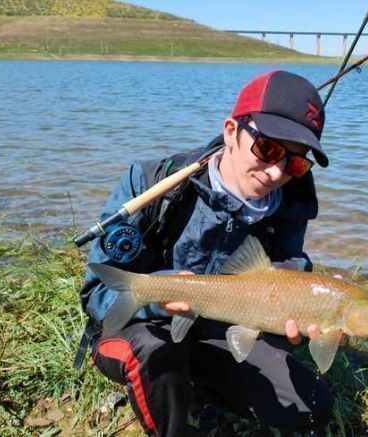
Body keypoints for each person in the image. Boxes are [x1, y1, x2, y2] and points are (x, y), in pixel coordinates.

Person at [79, 70, 334, 436]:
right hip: (144, 329)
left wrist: (287, 326)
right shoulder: (150, 183)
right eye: (269, 149)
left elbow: (284, 278)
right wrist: (160, 295)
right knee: (159, 358)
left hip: (220, 331)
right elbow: (96, 294)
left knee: (311, 406)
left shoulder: (291, 205)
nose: (277, 171)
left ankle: (199, 389)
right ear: (231, 131)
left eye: (295, 162)